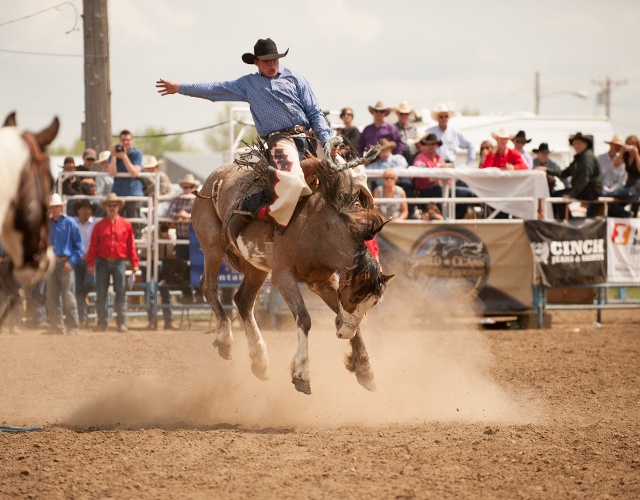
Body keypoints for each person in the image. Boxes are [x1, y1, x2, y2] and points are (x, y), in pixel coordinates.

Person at [156, 38, 333, 236]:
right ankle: (251, 205)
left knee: (342, 173)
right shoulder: (248, 84)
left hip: (307, 137)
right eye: (266, 60)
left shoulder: (295, 78)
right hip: (280, 139)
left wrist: (327, 140)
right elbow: (215, 89)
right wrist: (180, 88)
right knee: (291, 180)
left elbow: (315, 111)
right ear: (256, 62)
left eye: (274, 59)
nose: (272, 64)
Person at [87, 193, 140, 332]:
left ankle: (121, 323)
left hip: (119, 262)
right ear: (105, 207)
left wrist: (134, 263)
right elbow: (93, 245)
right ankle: (102, 323)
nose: (112, 207)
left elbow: (131, 245)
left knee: (120, 293)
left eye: (114, 205)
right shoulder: (99, 226)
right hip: (102, 261)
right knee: (101, 293)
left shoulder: (126, 224)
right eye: (109, 205)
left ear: (118, 207)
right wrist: (91, 263)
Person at [46, 193, 83, 335]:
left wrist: (71, 262)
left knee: (68, 296)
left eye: (57, 206)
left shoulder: (70, 223)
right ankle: (57, 326)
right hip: (52, 264)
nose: (55, 209)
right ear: (50, 208)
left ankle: (73, 326)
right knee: (52, 296)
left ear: (61, 207)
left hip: (65, 263)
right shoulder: (47, 225)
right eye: (53, 207)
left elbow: (79, 247)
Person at [546, 132, 602, 218]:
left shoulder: (587, 158)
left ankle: (566, 221)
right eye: (575, 143)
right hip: (585, 189)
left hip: (591, 190)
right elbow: (564, 173)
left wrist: (571, 194)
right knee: (556, 195)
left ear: (586, 144)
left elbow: (584, 180)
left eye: (579, 143)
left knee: (559, 197)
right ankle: (565, 220)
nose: (576, 146)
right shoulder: (579, 158)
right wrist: (546, 170)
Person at [165, 173, 200, 302]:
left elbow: (201, 216)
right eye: (185, 186)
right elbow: (170, 213)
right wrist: (179, 215)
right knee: (182, 265)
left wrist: (187, 216)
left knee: (196, 265)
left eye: (189, 186)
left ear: (193, 187)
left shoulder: (197, 199)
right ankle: (187, 294)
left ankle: (198, 293)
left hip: (195, 239)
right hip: (182, 238)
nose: (187, 189)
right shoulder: (177, 199)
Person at [108, 129, 144, 238]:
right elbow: (112, 172)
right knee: (115, 222)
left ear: (131, 140)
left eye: (128, 140)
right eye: (123, 140)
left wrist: (124, 156)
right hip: (118, 194)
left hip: (133, 194)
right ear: (120, 140)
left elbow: (134, 172)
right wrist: (114, 155)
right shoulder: (113, 155)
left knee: (134, 223)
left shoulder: (137, 154)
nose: (125, 142)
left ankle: (135, 249)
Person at [73, 198, 100, 329]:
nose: (85, 210)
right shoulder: (73, 223)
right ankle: (83, 320)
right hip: (77, 260)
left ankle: (85, 303)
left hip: (91, 260)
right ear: (78, 210)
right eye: (83, 208)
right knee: (78, 290)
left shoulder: (97, 223)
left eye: (88, 208)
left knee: (89, 284)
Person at [606, 134, 640, 217]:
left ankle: (629, 215)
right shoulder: (626, 156)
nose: (630, 146)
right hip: (628, 186)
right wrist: (622, 151)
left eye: (632, 144)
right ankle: (628, 216)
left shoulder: (637, 156)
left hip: (636, 188)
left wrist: (636, 155)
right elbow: (615, 164)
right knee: (611, 208)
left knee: (609, 195)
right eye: (628, 144)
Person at [532, 143, 564, 220]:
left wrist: (569, 188)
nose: (545, 155)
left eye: (546, 153)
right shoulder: (533, 163)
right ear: (538, 153)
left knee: (553, 209)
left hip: (550, 191)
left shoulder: (552, 164)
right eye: (543, 153)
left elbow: (562, 175)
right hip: (535, 191)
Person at [413, 133, 445, 206]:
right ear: (426, 145)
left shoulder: (439, 158)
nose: (431, 146)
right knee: (463, 193)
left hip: (440, 188)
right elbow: (418, 166)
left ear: (436, 145)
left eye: (433, 144)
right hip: (427, 189)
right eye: (428, 144)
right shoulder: (420, 157)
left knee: (460, 194)